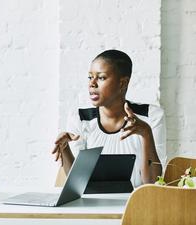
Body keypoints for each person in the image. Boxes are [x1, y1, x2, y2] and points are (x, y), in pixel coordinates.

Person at [52, 50, 166, 187]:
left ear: (123, 83)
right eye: (90, 77)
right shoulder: (80, 119)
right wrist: (65, 149)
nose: (92, 84)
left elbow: (153, 183)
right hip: (92, 206)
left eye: (101, 78)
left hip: (136, 204)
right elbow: (78, 184)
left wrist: (146, 133)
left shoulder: (151, 116)